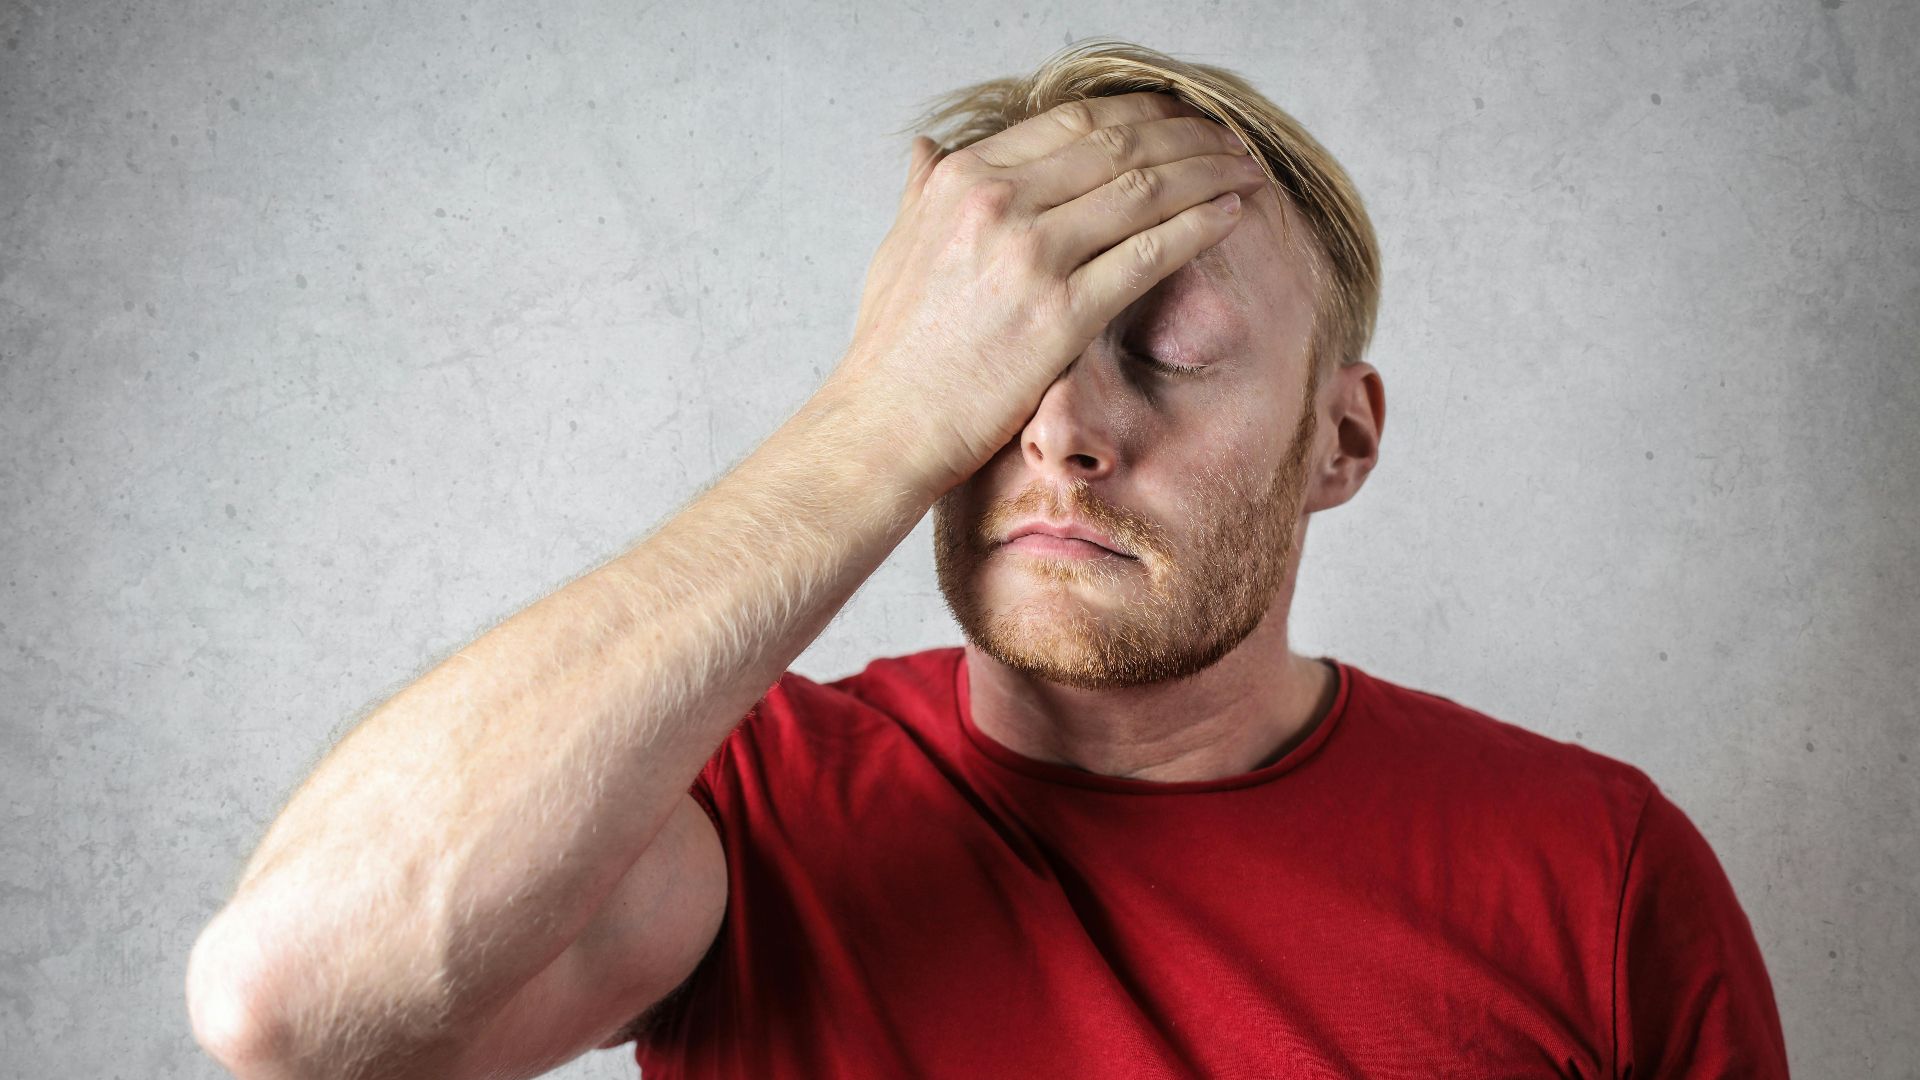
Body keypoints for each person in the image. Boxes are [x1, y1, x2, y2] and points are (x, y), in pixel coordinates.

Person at [185, 40, 1790, 1080]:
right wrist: (877, 418)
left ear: (1341, 442)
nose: (1063, 431)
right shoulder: (745, 814)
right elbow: (281, 1007)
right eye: (1002, 362)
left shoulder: (1600, 870)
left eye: (1163, 350)